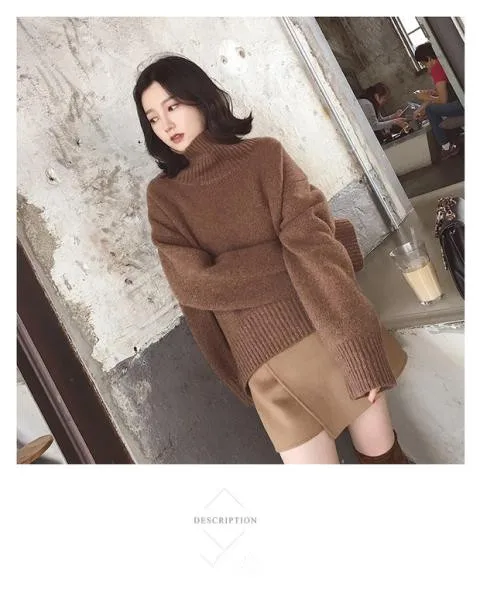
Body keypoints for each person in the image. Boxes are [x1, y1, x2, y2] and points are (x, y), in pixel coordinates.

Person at [133, 55, 411, 464]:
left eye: (172, 106)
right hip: (263, 363)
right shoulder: (164, 197)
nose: (165, 124)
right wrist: (294, 257)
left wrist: (355, 340)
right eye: (153, 118)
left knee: (386, 465)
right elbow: (195, 284)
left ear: (200, 98)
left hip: (328, 330)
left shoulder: (265, 156)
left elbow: (313, 248)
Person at [413, 42, 464, 160]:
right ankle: (451, 142)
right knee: (431, 109)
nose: (426, 67)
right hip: (461, 100)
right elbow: (438, 94)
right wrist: (420, 108)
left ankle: (446, 147)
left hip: (461, 103)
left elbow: (442, 99)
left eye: (424, 63)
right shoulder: (442, 63)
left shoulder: (436, 68)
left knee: (431, 110)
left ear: (429, 58)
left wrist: (424, 97)